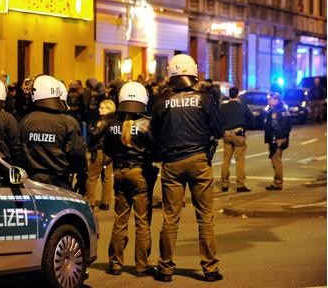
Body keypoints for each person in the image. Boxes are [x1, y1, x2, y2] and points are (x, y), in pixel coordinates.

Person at [151, 54, 224, 283]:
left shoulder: (162, 101)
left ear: (171, 73)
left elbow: (154, 133)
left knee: (170, 218)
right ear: (193, 72)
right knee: (205, 217)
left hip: (171, 163)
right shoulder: (204, 98)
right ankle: (210, 269)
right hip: (199, 160)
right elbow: (219, 129)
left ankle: (165, 269)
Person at [104, 81, 157, 277]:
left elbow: (108, 151)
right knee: (142, 222)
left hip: (119, 173)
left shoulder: (112, 125)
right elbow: (155, 150)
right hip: (139, 173)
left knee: (120, 220)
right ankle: (142, 265)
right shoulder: (147, 124)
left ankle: (115, 264)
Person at [12, 75, 88, 192]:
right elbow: (78, 154)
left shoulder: (26, 120)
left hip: (32, 182)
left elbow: (17, 152)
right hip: (59, 182)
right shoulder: (68, 122)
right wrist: (82, 180)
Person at [219, 86, 254, 193]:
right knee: (240, 160)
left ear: (229, 95)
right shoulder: (242, 106)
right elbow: (251, 119)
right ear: (237, 94)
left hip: (227, 134)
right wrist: (244, 127)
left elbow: (218, 120)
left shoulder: (223, 107)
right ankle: (240, 184)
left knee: (226, 160)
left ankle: (224, 184)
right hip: (238, 134)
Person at [85, 99, 116, 210]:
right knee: (107, 178)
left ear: (109, 109)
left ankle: (90, 202)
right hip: (110, 152)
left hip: (98, 151)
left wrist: (90, 127)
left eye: (102, 108)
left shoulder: (103, 121)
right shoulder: (115, 120)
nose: (99, 109)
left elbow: (94, 134)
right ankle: (106, 202)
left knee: (92, 178)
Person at [264, 92, 292, 190]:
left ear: (276, 100)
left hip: (276, 139)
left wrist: (276, 138)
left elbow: (275, 126)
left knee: (276, 160)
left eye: (271, 99)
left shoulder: (275, 111)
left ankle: (278, 182)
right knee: (276, 159)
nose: (269, 101)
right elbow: (287, 126)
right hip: (280, 138)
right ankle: (277, 181)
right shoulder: (284, 110)